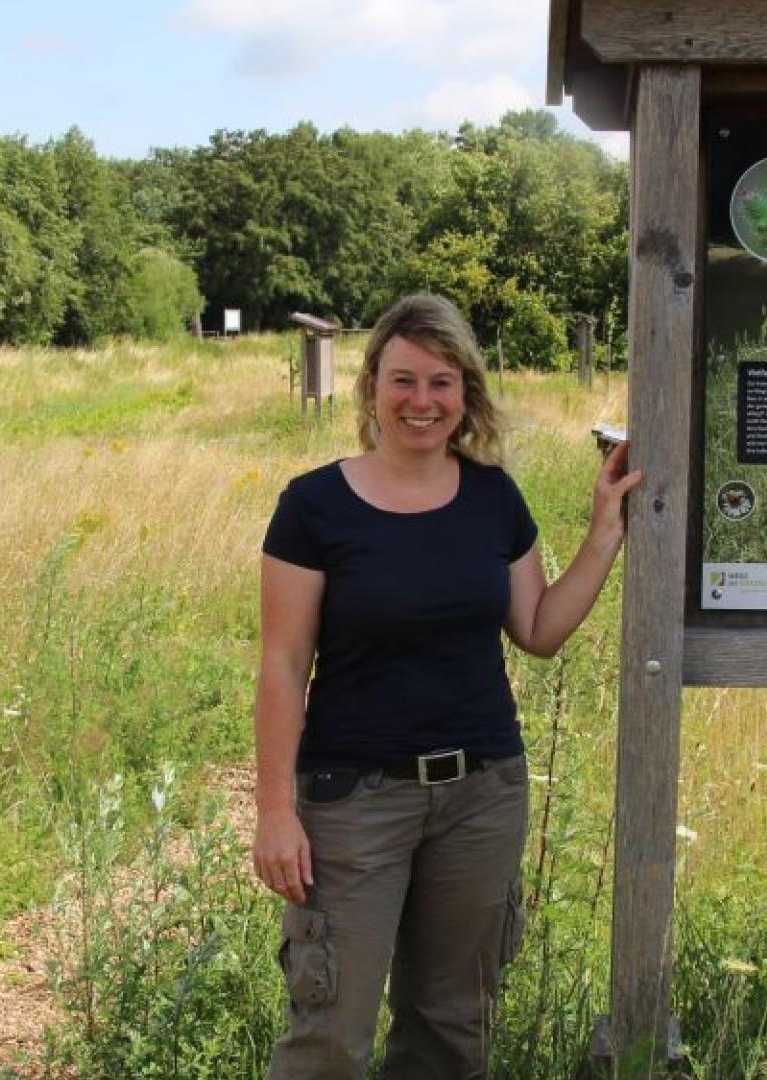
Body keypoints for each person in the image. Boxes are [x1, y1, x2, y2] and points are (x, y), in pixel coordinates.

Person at [253, 293, 641, 1078]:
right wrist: (273, 811)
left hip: (481, 796)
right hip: (353, 800)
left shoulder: (493, 498)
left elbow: (538, 630)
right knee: (329, 1033)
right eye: (403, 381)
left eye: (441, 382)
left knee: (452, 1029)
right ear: (371, 389)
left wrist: (603, 535)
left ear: (466, 394)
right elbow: (283, 665)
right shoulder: (313, 506)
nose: (421, 402)